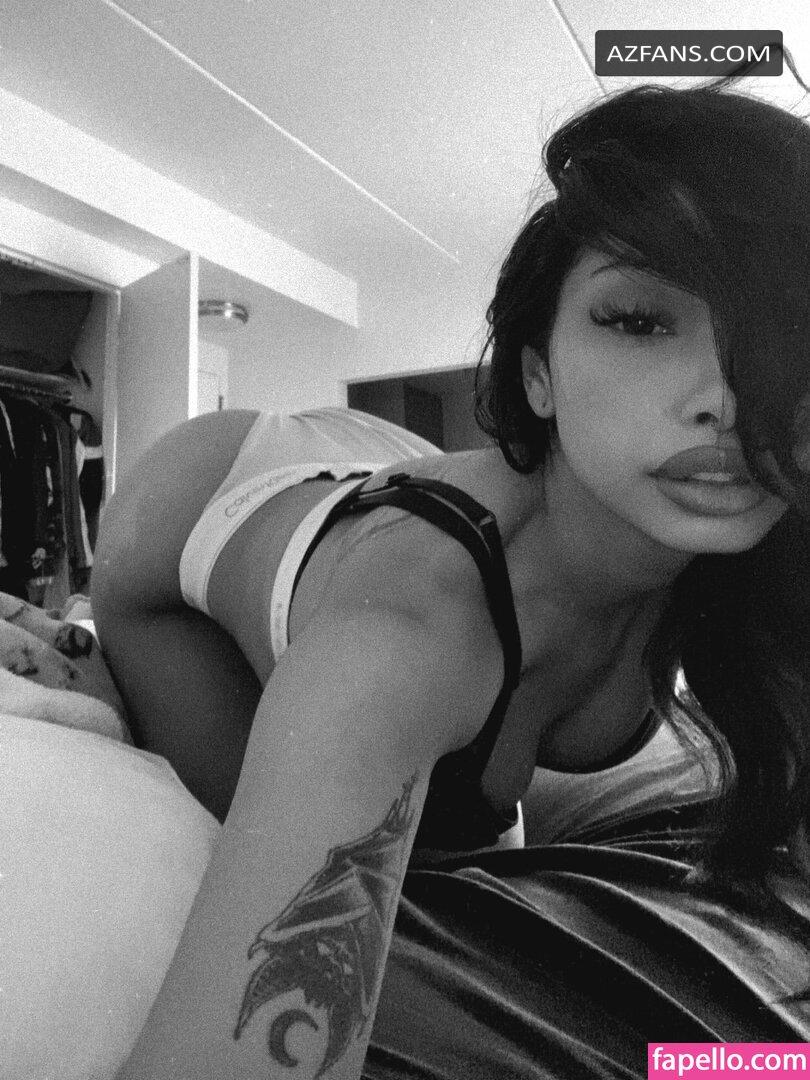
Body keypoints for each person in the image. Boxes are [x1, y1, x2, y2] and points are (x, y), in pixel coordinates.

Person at [93, 66, 810, 1079]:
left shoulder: (738, 532)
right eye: (641, 320)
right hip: (195, 502)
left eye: (786, 331)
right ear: (537, 373)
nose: (725, 398)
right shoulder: (401, 644)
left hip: (432, 480)